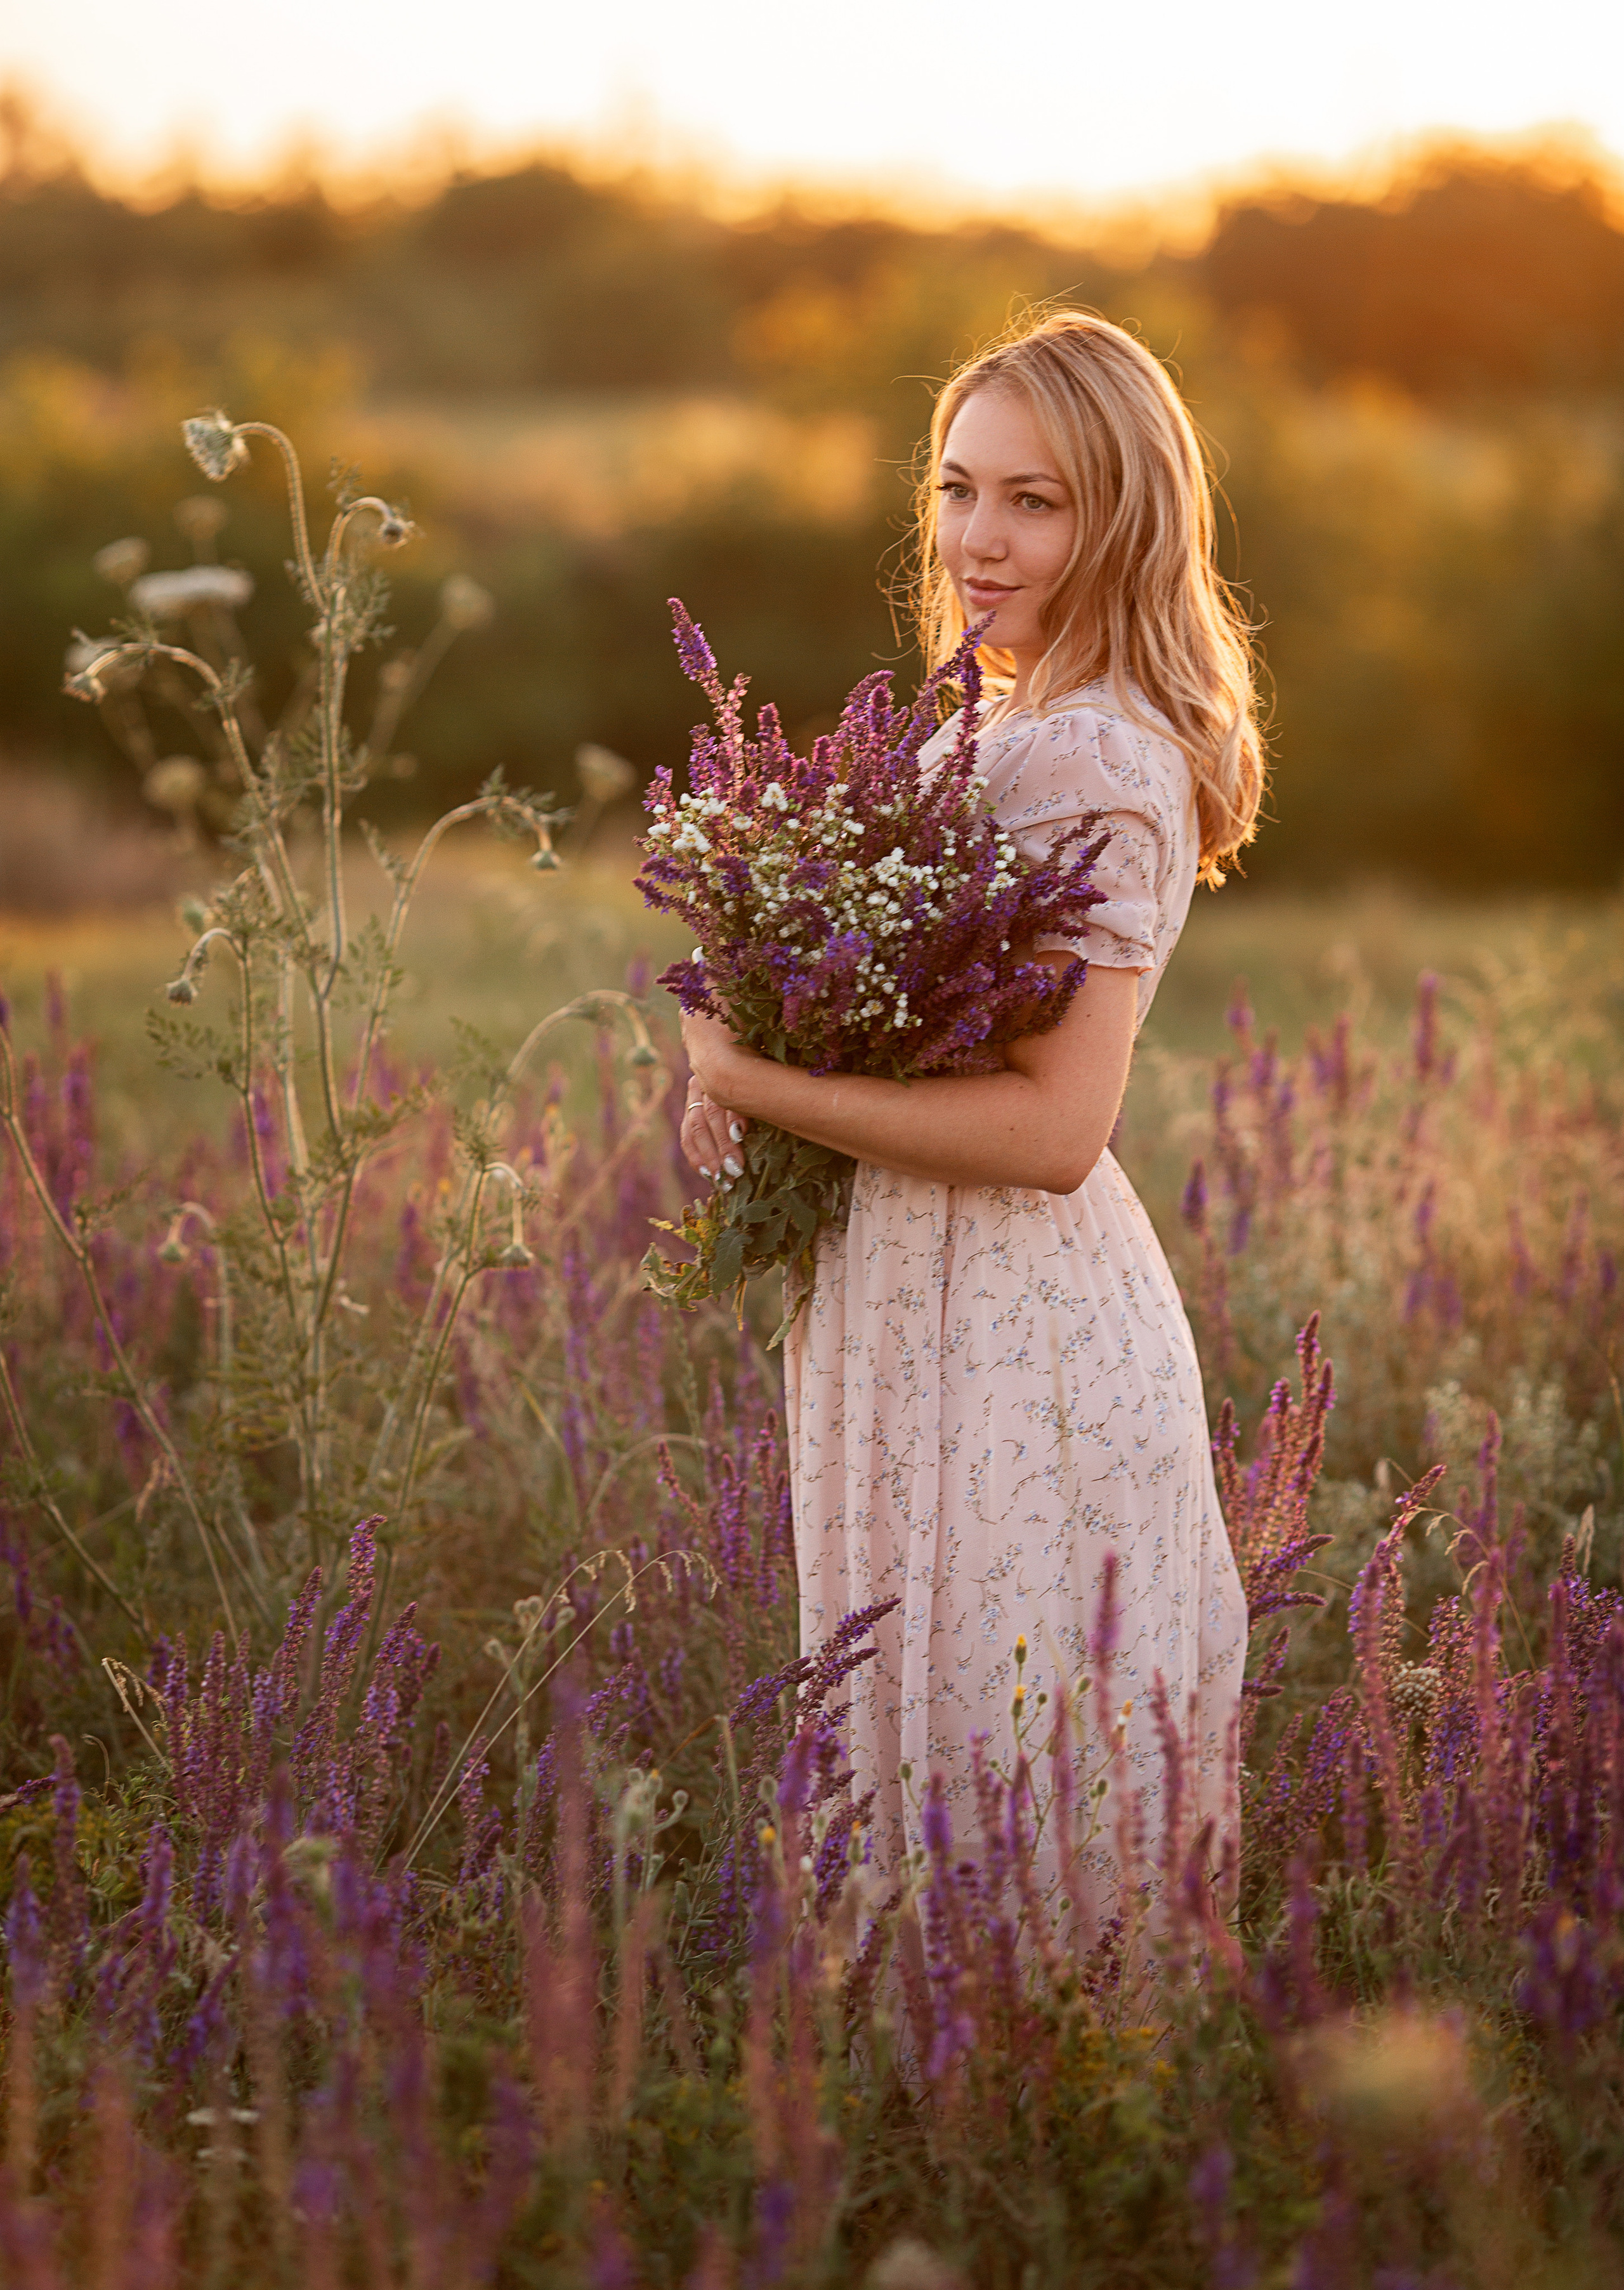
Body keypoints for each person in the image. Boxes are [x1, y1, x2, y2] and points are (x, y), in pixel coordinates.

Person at [678, 309, 1265, 1933]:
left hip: (1012, 1313)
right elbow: (915, 1038)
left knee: (1008, 1771)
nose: (975, 538)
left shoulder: (1094, 754)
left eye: (1035, 500)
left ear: (1122, 518)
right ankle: (927, 2139)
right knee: (922, 1748)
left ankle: (1052, 2155)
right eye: (956, 487)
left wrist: (750, 1077)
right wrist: (771, 1048)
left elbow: (1055, 1125)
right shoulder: (977, 724)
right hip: (906, 1295)